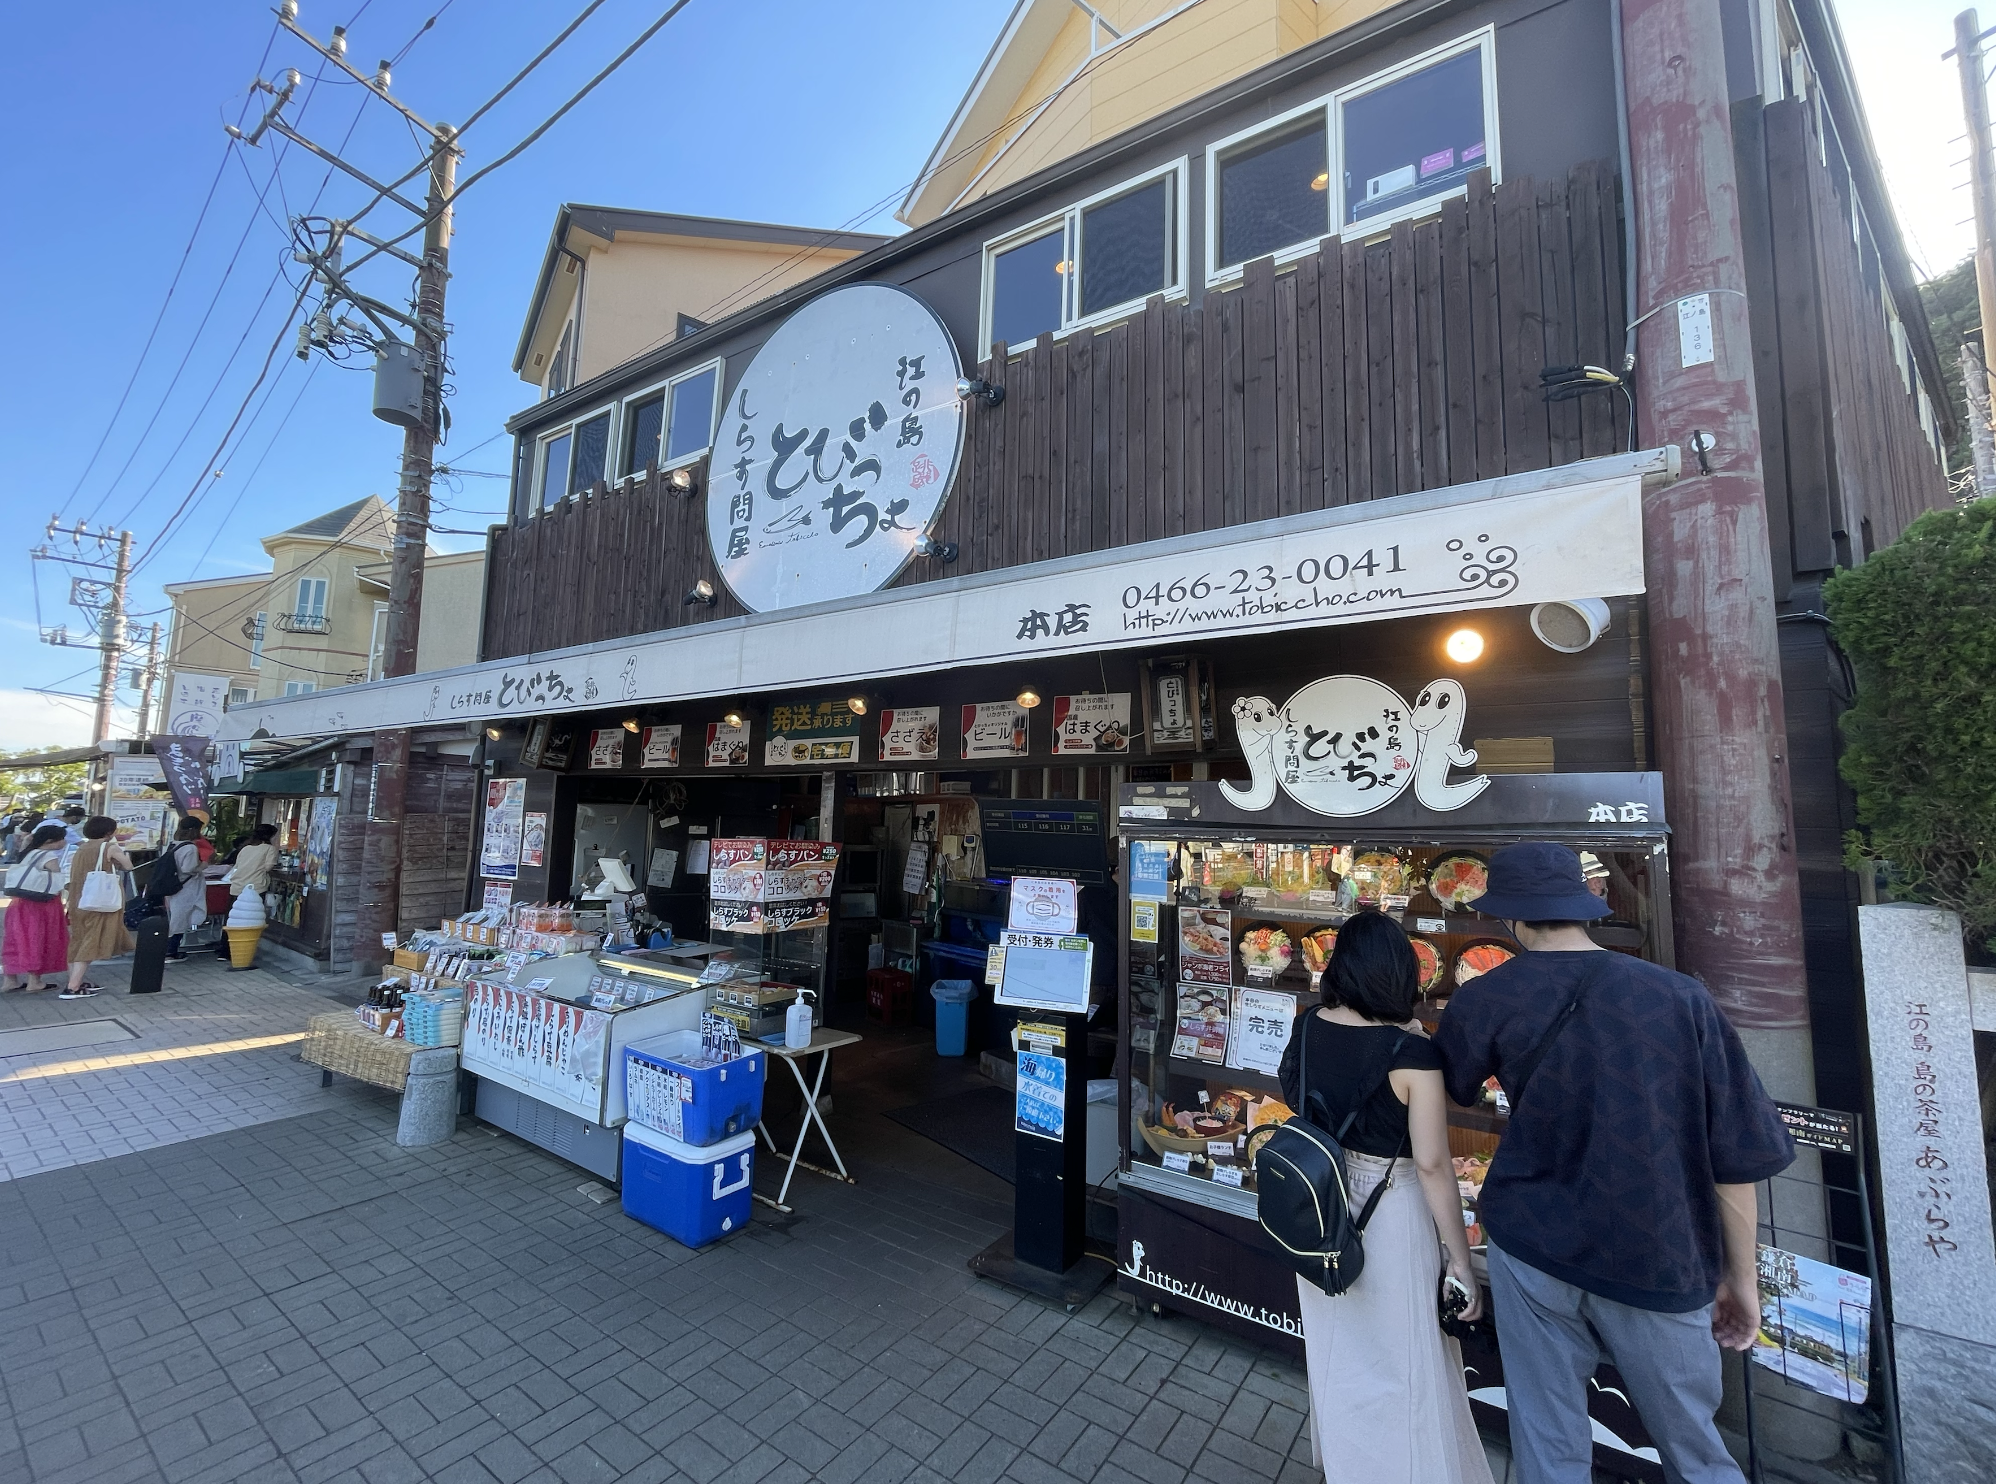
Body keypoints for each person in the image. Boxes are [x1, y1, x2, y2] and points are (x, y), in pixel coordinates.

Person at [1433, 842, 1795, 1484]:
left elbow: (1455, 1085)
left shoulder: (1488, 995)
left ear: (1510, 917)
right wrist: (1742, 1279)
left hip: (1532, 1242)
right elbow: (1735, 1160)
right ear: (1583, 906)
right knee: (1695, 1449)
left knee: (1547, 1438)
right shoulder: (1681, 998)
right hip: (1658, 1252)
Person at [1276, 911, 1494, 1484]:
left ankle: (1348, 1466)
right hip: (1392, 1212)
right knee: (1406, 1360)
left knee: (1338, 1348)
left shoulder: (1308, 1023)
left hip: (1323, 1207)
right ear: (1401, 973)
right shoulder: (1413, 1055)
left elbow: (1297, 1095)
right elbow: (1432, 1164)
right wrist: (1461, 1263)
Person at [63, 816, 134, 998]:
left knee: (78, 940)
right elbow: (128, 866)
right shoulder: (109, 847)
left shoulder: (82, 848)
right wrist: (122, 857)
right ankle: (73, 987)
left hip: (78, 899)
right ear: (109, 832)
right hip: (99, 902)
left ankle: (75, 981)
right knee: (91, 941)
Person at [2, 823, 72, 992]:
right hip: (42, 904)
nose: (64, 842)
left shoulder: (27, 853)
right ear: (50, 841)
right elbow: (58, 880)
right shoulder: (48, 856)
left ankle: (10, 980)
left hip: (19, 903)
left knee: (16, 940)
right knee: (38, 938)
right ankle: (34, 981)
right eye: (61, 838)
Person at [157, 816, 209, 962]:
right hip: (186, 887)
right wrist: (202, 866)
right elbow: (188, 868)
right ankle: (171, 951)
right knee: (180, 919)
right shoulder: (190, 848)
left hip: (173, 886)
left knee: (176, 917)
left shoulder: (173, 844)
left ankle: (170, 949)